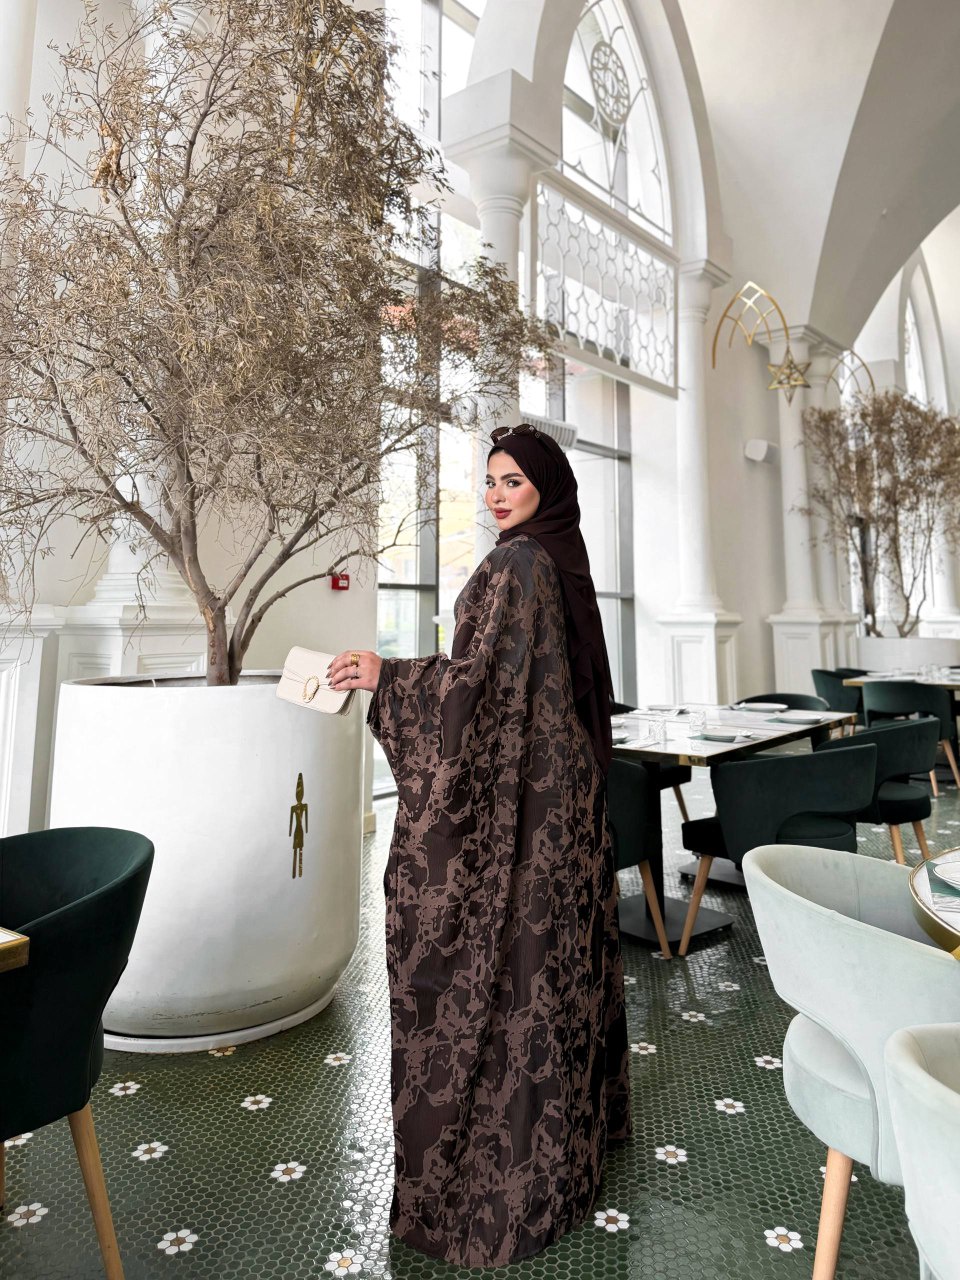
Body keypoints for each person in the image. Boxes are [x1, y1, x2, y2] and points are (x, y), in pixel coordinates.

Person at [327, 424, 631, 1269]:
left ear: (546, 489)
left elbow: (480, 689)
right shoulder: (562, 559)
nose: (496, 495)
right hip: (565, 801)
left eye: (513, 482)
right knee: (550, 965)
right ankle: (567, 1159)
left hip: (530, 812)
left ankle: (499, 1194)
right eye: (490, 481)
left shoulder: (517, 564)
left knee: (506, 970)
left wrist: (387, 676)